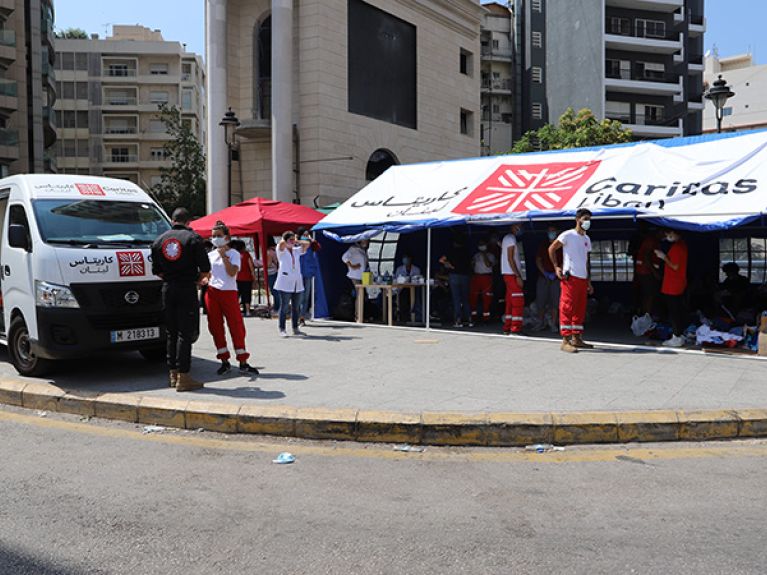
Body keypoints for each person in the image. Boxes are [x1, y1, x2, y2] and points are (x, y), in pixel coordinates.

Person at [151, 208, 211, 392]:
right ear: (189, 221)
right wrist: (197, 279)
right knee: (185, 333)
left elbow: (157, 271)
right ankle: (184, 376)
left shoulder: (158, 241)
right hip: (186, 288)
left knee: (171, 332)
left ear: (172, 220)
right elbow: (205, 268)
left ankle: (173, 374)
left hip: (168, 288)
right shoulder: (193, 239)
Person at [205, 221, 259, 374]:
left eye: (219, 236)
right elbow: (209, 274)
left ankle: (242, 360)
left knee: (236, 325)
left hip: (229, 292)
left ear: (227, 238)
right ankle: (224, 360)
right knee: (215, 326)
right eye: (213, 236)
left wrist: (224, 257)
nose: (215, 239)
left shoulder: (234, 254)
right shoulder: (210, 255)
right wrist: (204, 279)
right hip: (212, 291)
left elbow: (231, 273)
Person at [549, 209, 594, 353]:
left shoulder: (587, 239)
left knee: (580, 308)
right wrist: (556, 267)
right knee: (567, 307)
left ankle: (577, 338)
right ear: (578, 219)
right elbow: (552, 249)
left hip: (582, 278)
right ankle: (565, 340)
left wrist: (588, 281)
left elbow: (586, 261)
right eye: (585, 218)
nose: (588, 222)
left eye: (589, 219)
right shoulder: (568, 235)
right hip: (570, 277)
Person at [655, 229, 688, 348]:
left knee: (674, 311)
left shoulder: (678, 247)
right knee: (677, 310)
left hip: (673, 284)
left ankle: (677, 336)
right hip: (676, 282)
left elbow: (675, 266)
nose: (668, 236)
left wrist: (663, 257)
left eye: (671, 233)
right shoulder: (680, 246)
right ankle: (679, 334)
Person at [275, 230, 311, 337]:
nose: (292, 241)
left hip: (297, 282)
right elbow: (282, 243)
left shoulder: (296, 250)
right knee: (285, 306)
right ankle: (282, 328)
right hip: (285, 282)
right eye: (290, 240)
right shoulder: (281, 250)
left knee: (296, 307)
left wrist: (296, 240)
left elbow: (307, 244)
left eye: (293, 239)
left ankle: (295, 328)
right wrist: (287, 239)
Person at [440, 234, 472, 328]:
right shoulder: (466, 251)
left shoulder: (451, 251)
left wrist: (449, 265)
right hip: (465, 275)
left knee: (456, 299)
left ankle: (458, 320)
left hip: (454, 275)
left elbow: (441, 260)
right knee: (465, 299)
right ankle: (469, 319)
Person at [535, 226, 562, 333]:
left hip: (556, 278)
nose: (551, 233)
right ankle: (540, 323)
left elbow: (564, 261)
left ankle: (553, 324)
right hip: (544, 277)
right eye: (549, 231)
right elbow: (538, 260)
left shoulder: (561, 246)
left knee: (555, 302)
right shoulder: (543, 245)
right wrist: (545, 273)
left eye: (553, 231)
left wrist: (557, 271)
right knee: (541, 301)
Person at [501, 224, 525, 335]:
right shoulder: (510, 239)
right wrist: (518, 276)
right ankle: (515, 328)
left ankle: (507, 326)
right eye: (519, 226)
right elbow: (510, 258)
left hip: (508, 273)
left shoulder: (508, 238)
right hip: (511, 274)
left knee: (510, 301)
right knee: (517, 301)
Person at [634, 227, 663, 316]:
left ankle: (645, 315)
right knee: (649, 295)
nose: (665, 236)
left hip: (645, 271)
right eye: (664, 233)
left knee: (647, 295)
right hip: (646, 272)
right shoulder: (651, 241)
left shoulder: (654, 241)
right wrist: (655, 273)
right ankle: (647, 317)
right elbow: (646, 257)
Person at [297, 227, 321, 326]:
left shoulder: (311, 245)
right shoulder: (296, 244)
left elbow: (318, 247)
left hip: (308, 273)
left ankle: (302, 317)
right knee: (299, 296)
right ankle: (297, 316)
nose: (306, 236)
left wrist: (312, 240)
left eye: (307, 234)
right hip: (298, 274)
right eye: (304, 234)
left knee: (306, 297)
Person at [470, 239, 496, 323]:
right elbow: (472, 265)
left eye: (483, 244)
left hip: (486, 277)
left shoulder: (491, 255)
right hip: (477, 276)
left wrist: (484, 254)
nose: (481, 246)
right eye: (480, 244)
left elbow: (488, 264)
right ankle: (473, 316)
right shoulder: (476, 255)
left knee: (487, 297)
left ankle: (486, 318)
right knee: (473, 296)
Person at [393, 254, 422, 322]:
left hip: (414, 289)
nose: (406, 260)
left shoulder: (416, 269)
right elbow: (395, 279)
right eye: (405, 258)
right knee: (403, 296)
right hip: (402, 289)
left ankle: (416, 316)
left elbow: (419, 279)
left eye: (408, 259)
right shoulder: (399, 269)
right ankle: (403, 317)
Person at [231, 239, 256, 316]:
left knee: (236, 295)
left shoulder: (234, 255)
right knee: (247, 295)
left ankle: (235, 310)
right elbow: (251, 266)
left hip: (236, 278)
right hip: (247, 278)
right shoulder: (246, 254)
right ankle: (247, 311)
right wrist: (253, 275)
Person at [266, 237, 280, 316]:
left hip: (271, 272)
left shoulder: (269, 252)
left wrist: (260, 263)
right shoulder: (275, 249)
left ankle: (277, 308)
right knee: (277, 291)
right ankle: (277, 306)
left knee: (274, 291)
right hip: (277, 271)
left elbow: (268, 264)